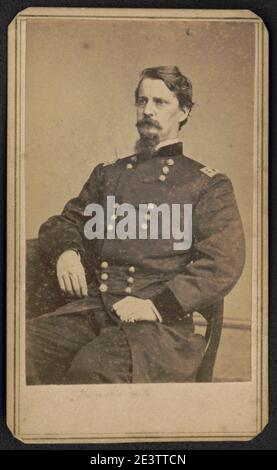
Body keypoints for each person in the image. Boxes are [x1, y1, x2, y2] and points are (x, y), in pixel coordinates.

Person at [26, 65, 245, 384]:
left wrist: (158, 306)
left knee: (92, 371)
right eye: (142, 101)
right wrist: (67, 252)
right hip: (94, 309)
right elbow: (66, 222)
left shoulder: (206, 185)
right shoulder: (108, 175)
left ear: (183, 112)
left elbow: (224, 261)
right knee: (20, 349)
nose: (148, 110)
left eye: (160, 102)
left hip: (157, 327)